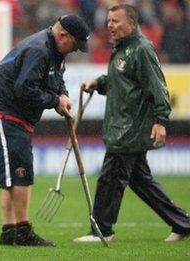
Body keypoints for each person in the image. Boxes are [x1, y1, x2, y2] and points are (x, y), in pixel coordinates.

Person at [73, 4, 190, 243]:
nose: (110, 25)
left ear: (131, 23)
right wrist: (99, 83)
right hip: (124, 127)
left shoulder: (141, 49)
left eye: (115, 21)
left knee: (110, 178)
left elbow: (157, 88)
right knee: (141, 182)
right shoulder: (124, 49)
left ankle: (102, 230)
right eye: (108, 21)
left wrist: (160, 121)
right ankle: (183, 224)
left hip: (130, 129)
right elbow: (123, 81)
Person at [0, 15, 89, 247]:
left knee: (12, 174)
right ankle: (22, 231)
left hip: (16, 116)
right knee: (20, 172)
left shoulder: (56, 52)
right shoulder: (38, 50)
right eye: (75, 44)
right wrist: (54, 101)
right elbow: (24, 89)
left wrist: (64, 97)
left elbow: (57, 79)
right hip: (4, 113)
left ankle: (9, 231)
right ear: (63, 36)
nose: (75, 51)